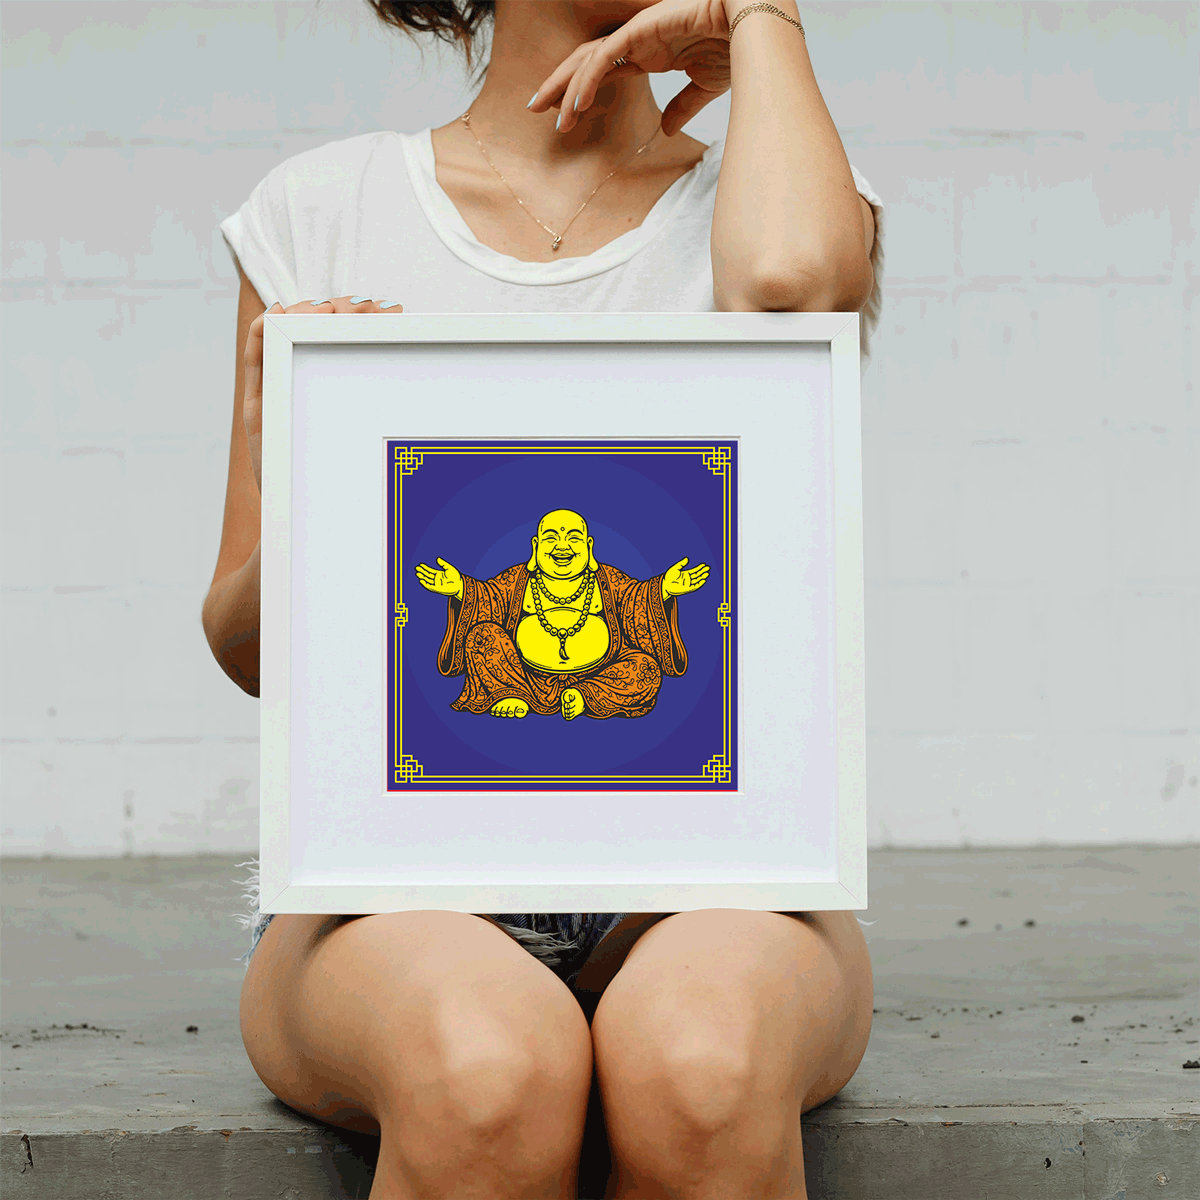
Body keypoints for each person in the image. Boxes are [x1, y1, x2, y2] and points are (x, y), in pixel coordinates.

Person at [204, 2, 882, 1197]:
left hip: (720, 876)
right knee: (486, 1072)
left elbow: (789, 287)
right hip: (391, 892)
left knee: (703, 1069)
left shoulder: (783, 195)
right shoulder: (320, 209)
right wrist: (301, 472)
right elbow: (248, 647)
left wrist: (760, 16)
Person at [417, 507, 709, 720]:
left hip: (599, 675)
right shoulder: (517, 580)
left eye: (573, 537)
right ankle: (510, 693)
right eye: (551, 538)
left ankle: (584, 696)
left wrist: (662, 590)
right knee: (482, 637)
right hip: (524, 677)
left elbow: (637, 601)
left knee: (645, 669)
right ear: (535, 546)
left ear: (589, 546)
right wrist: (460, 589)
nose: (562, 546)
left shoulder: (609, 580)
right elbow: (488, 599)